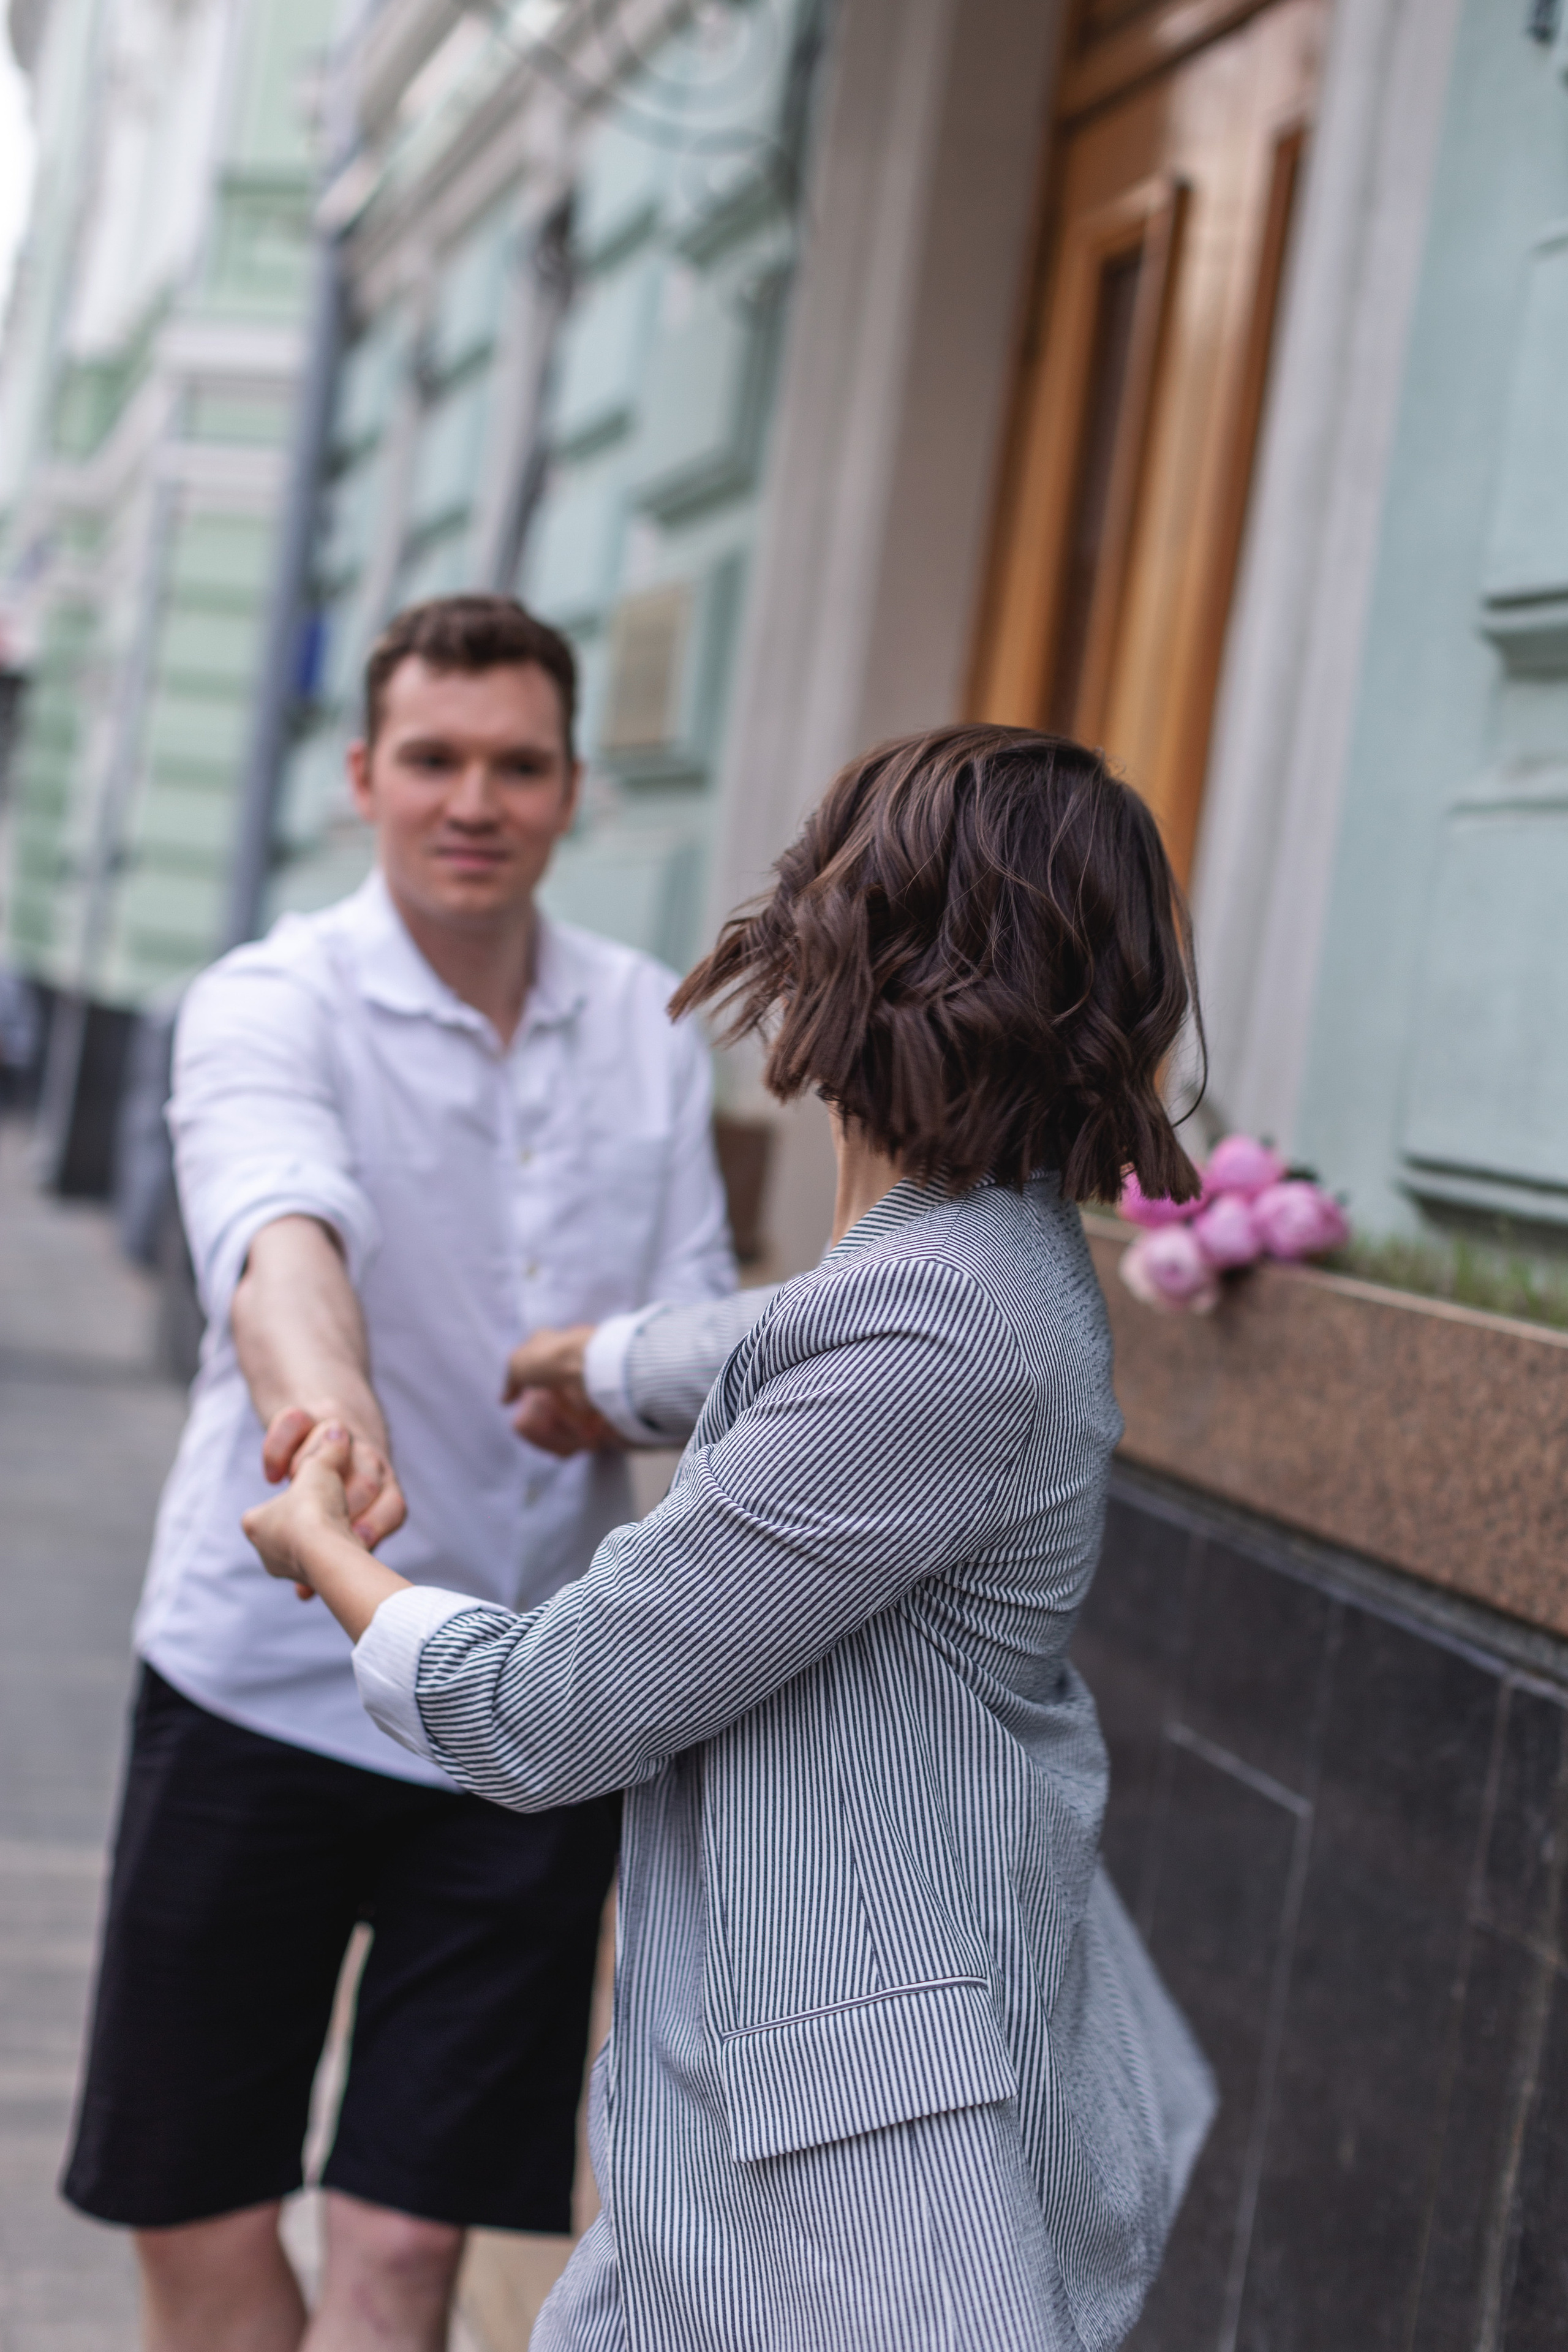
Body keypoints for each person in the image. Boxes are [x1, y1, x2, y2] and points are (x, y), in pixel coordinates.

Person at [242, 723, 1218, 2351]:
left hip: (858, 2209)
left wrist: (333, 1559)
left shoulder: (937, 1329)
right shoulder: (986, 1251)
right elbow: (810, 1334)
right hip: (775, 2139)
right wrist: (603, 1363)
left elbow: (548, 1707)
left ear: (878, 961)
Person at [62, 596, 736, 2352]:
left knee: (408, 2253)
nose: (474, 800)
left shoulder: (651, 1034)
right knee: (194, 2209)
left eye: (519, 765)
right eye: (433, 759)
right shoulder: (269, 1003)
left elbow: (697, 1327)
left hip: (522, 1713)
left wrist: (615, 1390)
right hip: (260, 1690)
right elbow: (282, 1238)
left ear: (576, 789)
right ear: (363, 774)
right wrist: (328, 1422)